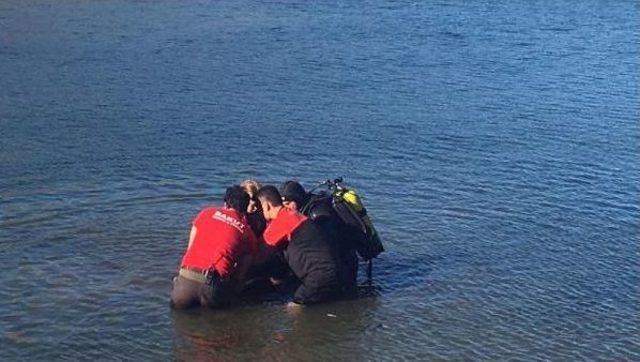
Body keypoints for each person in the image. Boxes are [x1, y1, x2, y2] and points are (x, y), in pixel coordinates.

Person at [170, 186, 257, 309]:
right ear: (245, 208)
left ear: (225, 203)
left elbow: (190, 248)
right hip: (211, 286)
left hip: (185, 284)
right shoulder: (247, 232)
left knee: (181, 323)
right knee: (214, 322)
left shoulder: (206, 213)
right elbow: (241, 273)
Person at [256, 185, 342, 306]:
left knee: (294, 308)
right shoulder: (293, 215)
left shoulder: (282, 221)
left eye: (260, 207)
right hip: (334, 272)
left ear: (266, 205)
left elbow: (258, 253)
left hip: (319, 278)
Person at [281, 180, 360, 294]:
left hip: (343, 267)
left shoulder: (318, 215)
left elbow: (328, 248)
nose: (286, 209)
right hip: (343, 262)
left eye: (288, 204)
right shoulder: (308, 207)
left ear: (297, 200)